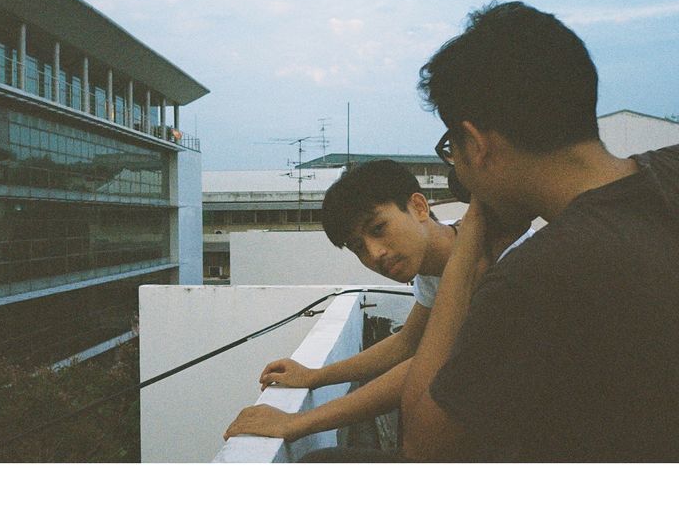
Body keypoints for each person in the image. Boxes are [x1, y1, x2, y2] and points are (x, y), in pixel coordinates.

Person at [400, 1, 679, 462]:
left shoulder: (542, 274)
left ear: (477, 143)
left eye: (453, 147)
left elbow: (421, 446)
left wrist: (467, 248)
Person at [223, 159, 530, 444]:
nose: (375, 253)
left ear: (419, 207)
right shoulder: (433, 268)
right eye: (359, 247)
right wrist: (315, 376)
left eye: (378, 229)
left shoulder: (500, 257)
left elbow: (427, 363)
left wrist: (299, 422)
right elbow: (406, 343)